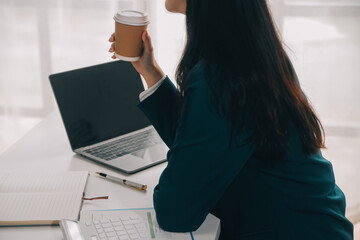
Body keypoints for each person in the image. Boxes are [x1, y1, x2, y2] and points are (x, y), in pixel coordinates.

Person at [109, 0, 354, 239]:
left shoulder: (220, 77)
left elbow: (175, 211)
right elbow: (204, 147)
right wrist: (150, 71)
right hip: (315, 225)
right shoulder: (248, 57)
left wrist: (174, 183)